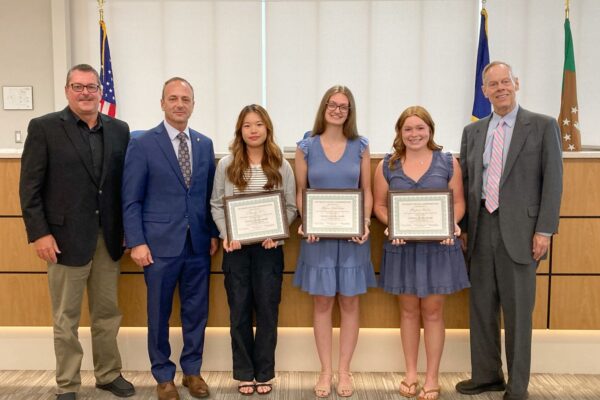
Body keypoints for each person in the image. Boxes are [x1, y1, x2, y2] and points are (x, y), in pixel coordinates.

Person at [19, 64, 135, 400]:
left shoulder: (119, 129)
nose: (85, 93)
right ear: (67, 90)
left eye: (91, 87)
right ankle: (67, 384)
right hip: (63, 239)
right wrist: (40, 233)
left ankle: (108, 373)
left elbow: (122, 186)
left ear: (101, 91)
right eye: (77, 86)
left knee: (107, 314)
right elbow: (30, 187)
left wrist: (127, 229)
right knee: (66, 319)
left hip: (108, 239)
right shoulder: (44, 128)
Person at [455, 61, 563, 400]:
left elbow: (554, 182)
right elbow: (467, 182)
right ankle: (487, 376)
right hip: (481, 227)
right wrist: (463, 227)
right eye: (492, 84)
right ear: (484, 90)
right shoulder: (472, 132)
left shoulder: (543, 126)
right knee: (482, 307)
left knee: (518, 313)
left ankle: (518, 386)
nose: (500, 88)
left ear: (516, 83)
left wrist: (544, 230)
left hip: (522, 230)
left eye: (505, 81)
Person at [122, 77, 219, 400]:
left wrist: (214, 233)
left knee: (196, 312)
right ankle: (163, 376)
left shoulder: (204, 144)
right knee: (158, 313)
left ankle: (192, 371)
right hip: (158, 245)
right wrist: (136, 241)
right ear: (162, 103)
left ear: (194, 104)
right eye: (173, 98)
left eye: (186, 99)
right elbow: (131, 199)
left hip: (198, 245)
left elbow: (209, 197)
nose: (180, 104)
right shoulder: (143, 143)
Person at [373, 106, 470, 400]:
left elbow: (458, 204)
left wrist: (451, 223)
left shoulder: (448, 162)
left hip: (438, 248)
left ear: (430, 130)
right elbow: (379, 206)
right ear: (399, 133)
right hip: (403, 248)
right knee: (408, 311)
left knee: (433, 311)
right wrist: (394, 225)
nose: (414, 134)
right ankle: (411, 373)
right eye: (408, 129)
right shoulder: (387, 166)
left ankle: (432, 377)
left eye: (420, 128)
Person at [293, 85, 376, 398]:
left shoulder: (361, 146)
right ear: (323, 107)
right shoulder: (306, 146)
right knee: (323, 302)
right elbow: (302, 191)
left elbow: (366, 190)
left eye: (344, 106)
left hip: (354, 236)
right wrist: (307, 221)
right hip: (318, 237)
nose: (338, 110)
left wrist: (365, 222)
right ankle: (325, 371)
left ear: (350, 111)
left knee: (350, 302)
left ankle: (344, 371)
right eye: (332, 104)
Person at [210, 104, 297, 395]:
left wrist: (277, 234)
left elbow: (290, 207)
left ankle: (264, 373)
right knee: (239, 312)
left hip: (269, 249)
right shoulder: (226, 164)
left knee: (268, 312)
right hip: (236, 250)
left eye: (258, 124)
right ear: (240, 130)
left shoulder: (281, 164)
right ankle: (244, 372)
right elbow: (216, 204)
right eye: (247, 125)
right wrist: (226, 234)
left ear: (267, 128)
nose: (253, 130)